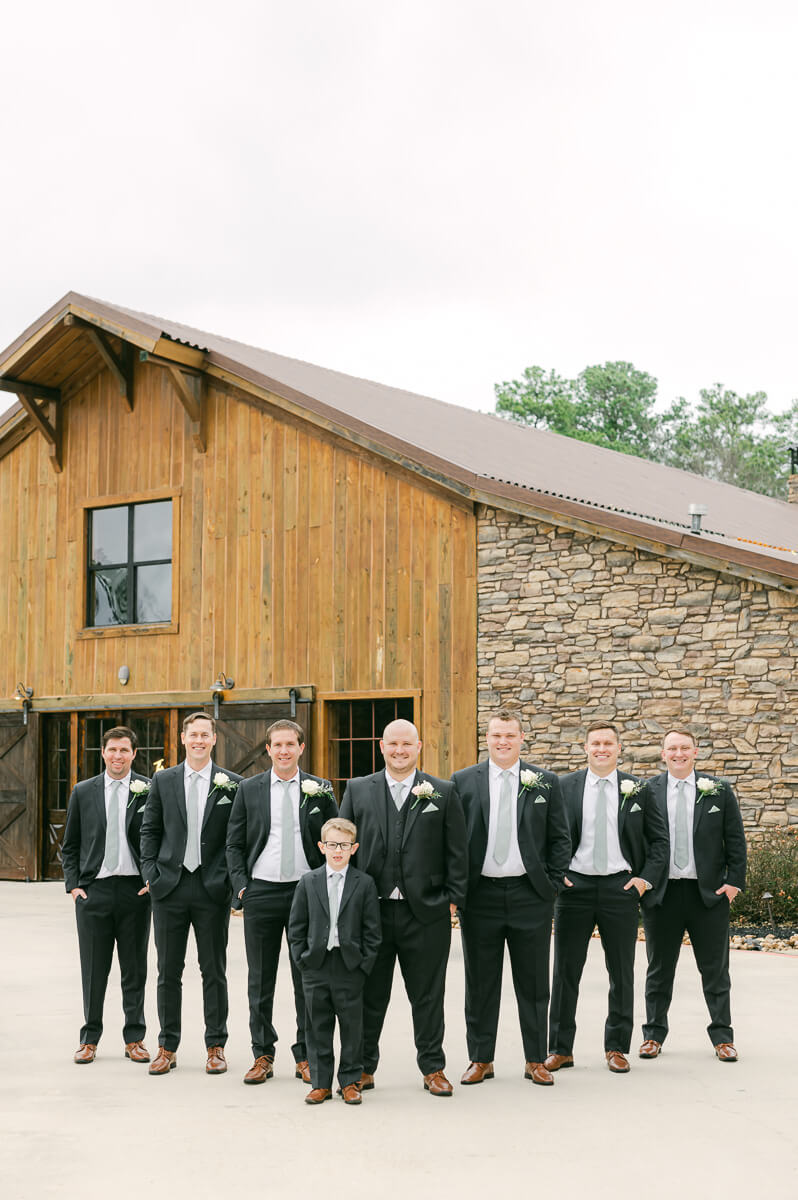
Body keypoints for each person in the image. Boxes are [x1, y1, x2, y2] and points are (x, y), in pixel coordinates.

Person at [340, 718, 468, 1096]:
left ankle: (433, 1067)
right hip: (371, 912)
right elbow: (343, 845)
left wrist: (451, 900)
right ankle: (363, 1067)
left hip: (426, 913)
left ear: (419, 747)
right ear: (381, 746)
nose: (399, 751)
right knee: (370, 994)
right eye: (393, 744)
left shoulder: (442, 791)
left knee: (428, 996)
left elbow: (458, 852)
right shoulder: (358, 789)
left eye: (406, 744)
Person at [452, 709, 570, 1086]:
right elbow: (453, 841)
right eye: (496, 736)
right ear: (486, 739)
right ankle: (480, 1058)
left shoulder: (545, 782)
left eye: (510, 736)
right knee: (481, 982)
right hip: (481, 894)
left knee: (534, 982)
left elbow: (560, 838)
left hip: (529, 895)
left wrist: (549, 885)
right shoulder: (463, 781)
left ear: (522, 738)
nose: (503, 742)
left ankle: (535, 1059)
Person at [546, 723, 668, 1074]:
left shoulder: (639, 789)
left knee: (621, 972)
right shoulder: (564, 786)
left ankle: (616, 1047)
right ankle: (560, 1048)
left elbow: (659, 841)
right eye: (595, 743)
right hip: (575, 888)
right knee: (566, 971)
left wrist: (644, 880)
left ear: (619, 748)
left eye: (608, 743)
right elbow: (547, 835)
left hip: (620, 889)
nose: (602, 748)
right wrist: (558, 875)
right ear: (585, 747)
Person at [226, 719, 338, 1085]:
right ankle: (262, 1054)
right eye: (278, 745)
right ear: (269, 749)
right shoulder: (250, 789)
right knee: (260, 980)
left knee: (307, 977)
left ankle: (305, 1055)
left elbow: (333, 838)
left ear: (301, 748)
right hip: (262, 892)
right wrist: (242, 888)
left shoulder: (319, 790)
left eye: (291, 744)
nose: (284, 750)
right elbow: (234, 843)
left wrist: (328, 888)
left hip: (306, 893)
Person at [140, 711, 242, 1075]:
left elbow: (236, 839)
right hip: (169, 887)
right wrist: (151, 873)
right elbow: (149, 830)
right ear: (183, 739)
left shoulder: (232, 783)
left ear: (214, 739)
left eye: (205, 735)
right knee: (168, 971)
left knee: (214, 970)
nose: (199, 740)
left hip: (212, 887)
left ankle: (216, 1046)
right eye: (193, 735)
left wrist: (230, 882)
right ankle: (167, 1046)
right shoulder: (163, 780)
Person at [639, 728, 747, 1063]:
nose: (679, 754)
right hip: (663, 894)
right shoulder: (647, 792)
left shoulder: (718, 790)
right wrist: (642, 882)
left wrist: (733, 884)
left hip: (708, 895)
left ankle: (722, 1037)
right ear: (663, 753)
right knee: (659, 969)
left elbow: (736, 840)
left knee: (715, 970)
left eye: (685, 748)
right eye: (672, 748)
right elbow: (637, 839)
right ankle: (653, 1035)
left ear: (696, 752)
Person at [61, 726, 152, 1065]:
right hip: (94, 892)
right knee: (94, 969)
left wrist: (152, 881)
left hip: (134, 892)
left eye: (124, 750)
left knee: (134, 969)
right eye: (112, 750)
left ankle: (135, 1038)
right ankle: (89, 1039)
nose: (118, 756)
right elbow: (70, 845)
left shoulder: (147, 790)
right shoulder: (84, 792)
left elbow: (158, 838)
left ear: (133, 753)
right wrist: (74, 886)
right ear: (103, 752)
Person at [288, 816, 381, 1104]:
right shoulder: (308, 882)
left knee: (352, 1026)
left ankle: (351, 1081)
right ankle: (320, 1082)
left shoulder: (364, 883)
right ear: (321, 847)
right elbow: (296, 928)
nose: (337, 850)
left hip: (349, 965)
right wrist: (303, 960)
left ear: (354, 848)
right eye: (332, 844)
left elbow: (372, 931)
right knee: (317, 1026)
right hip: (316, 965)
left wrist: (363, 964)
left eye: (343, 844)